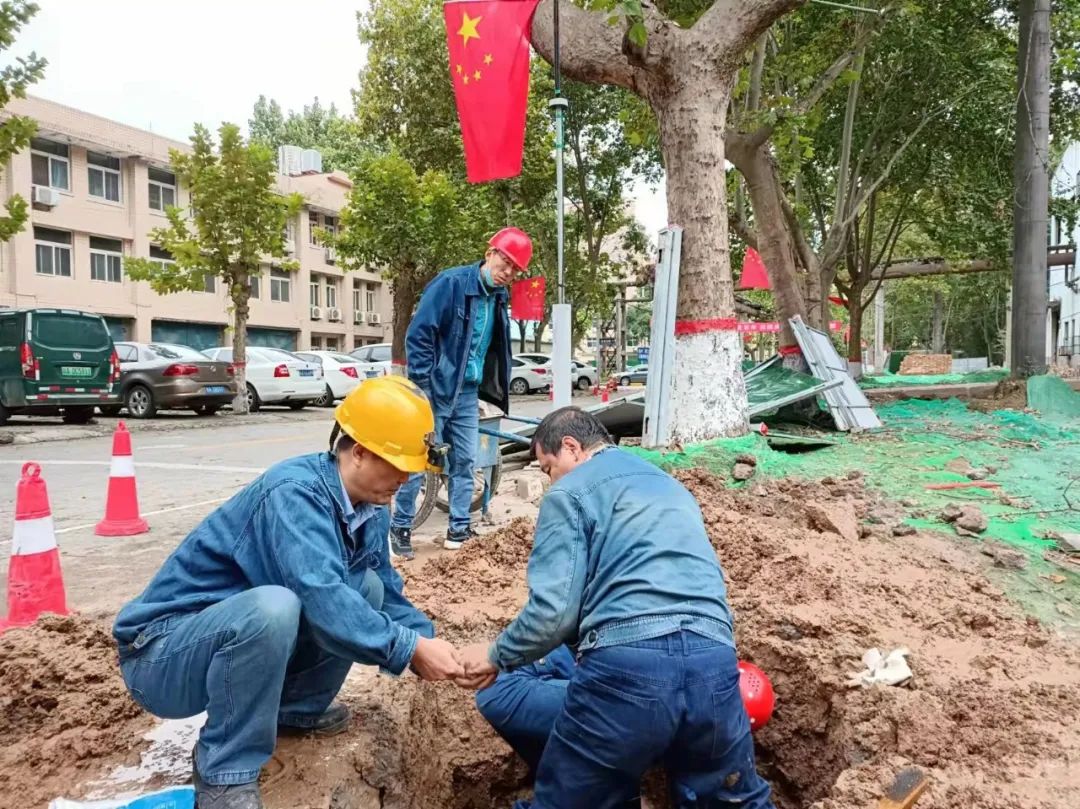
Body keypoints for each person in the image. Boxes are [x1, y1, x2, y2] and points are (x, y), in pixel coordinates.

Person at [112, 377, 464, 809]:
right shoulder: (294, 493)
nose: (406, 478)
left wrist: (429, 641)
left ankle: (295, 708)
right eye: (398, 464)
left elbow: (386, 593)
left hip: (227, 639)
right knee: (276, 608)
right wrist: (409, 650)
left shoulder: (368, 508)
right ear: (360, 452)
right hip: (161, 655)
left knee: (367, 588)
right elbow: (323, 599)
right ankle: (224, 770)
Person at [460, 407, 775, 809]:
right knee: (734, 800)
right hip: (713, 664)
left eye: (547, 467)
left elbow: (553, 615)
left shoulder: (570, 492)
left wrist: (493, 656)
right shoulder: (671, 487)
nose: (548, 479)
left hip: (630, 668)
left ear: (571, 448)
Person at [390, 227, 532, 558]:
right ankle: (400, 529)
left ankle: (457, 529)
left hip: (467, 393)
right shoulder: (451, 284)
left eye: (515, 269)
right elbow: (419, 335)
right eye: (505, 262)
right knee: (418, 461)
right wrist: (424, 386)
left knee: (465, 461)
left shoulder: (498, 298)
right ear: (490, 253)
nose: (508, 272)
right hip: (435, 390)